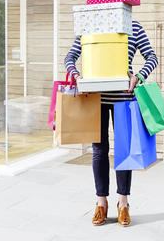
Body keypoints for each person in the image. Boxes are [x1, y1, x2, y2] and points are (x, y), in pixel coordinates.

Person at [64, 20, 158, 227]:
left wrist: (139, 76)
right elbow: (69, 58)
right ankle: (101, 202)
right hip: (94, 99)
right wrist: (78, 76)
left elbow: (152, 57)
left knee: (125, 151)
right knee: (99, 151)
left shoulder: (133, 26)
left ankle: (123, 203)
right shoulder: (89, 25)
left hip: (123, 98)